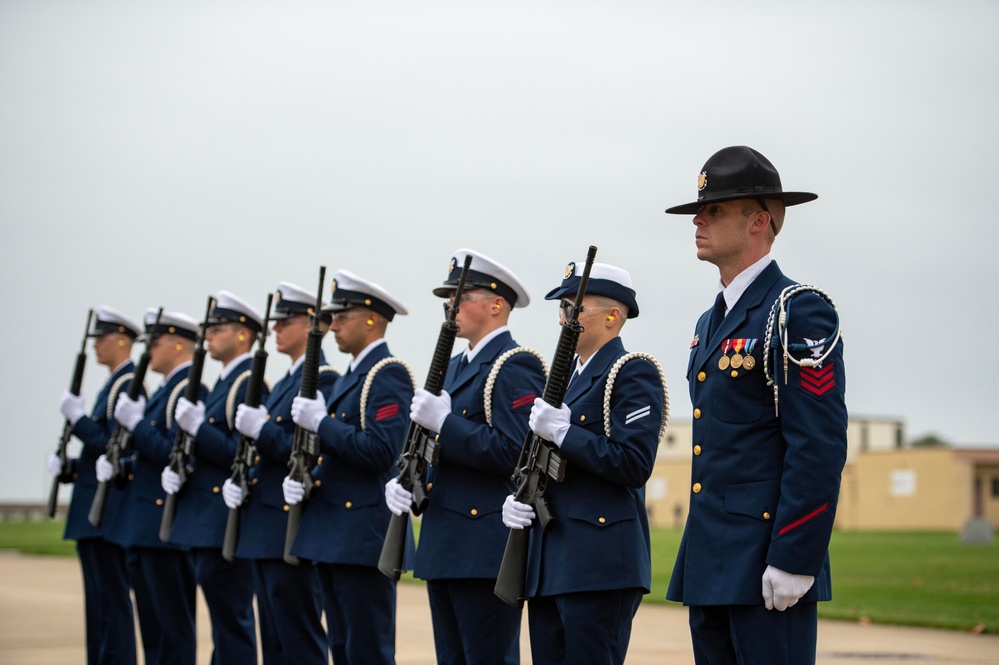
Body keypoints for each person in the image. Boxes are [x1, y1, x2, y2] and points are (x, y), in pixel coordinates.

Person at [663, 145, 848, 665]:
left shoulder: (797, 310)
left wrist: (795, 556)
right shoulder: (709, 323)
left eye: (715, 210)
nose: (698, 219)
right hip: (711, 559)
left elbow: (818, 444)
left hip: (767, 561)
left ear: (759, 222)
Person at [385, 248, 545, 665]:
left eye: (461, 297)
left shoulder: (514, 364)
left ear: (496, 305)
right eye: (447, 299)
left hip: (482, 545)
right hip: (446, 541)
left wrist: (446, 424)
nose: (450, 306)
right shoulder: (455, 365)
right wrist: (406, 477)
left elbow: (515, 453)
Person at [501, 261, 667, 665]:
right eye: (562, 310)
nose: (565, 320)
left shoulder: (631, 372)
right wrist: (517, 497)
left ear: (613, 316)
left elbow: (633, 464)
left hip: (599, 563)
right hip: (549, 563)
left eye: (576, 310)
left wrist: (565, 434)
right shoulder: (563, 382)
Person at [283, 269, 414, 664]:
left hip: (361, 533)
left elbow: (379, 451)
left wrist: (321, 423)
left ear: (371, 319)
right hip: (334, 531)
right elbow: (335, 454)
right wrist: (309, 480)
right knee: (342, 647)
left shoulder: (387, 374)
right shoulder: (353, 376)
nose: (332, 326)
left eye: (342, 317)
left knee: (366, 649)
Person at [225, 281, 339, 665]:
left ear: (311, 327)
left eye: (285, 321)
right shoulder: (286, 382)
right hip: (265, 524)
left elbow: (304, 451)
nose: (275, 328)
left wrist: (262, 430)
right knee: (273, 642)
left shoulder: (323, 379)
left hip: (287, 524)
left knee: (298, 641)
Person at [160, 291, 265, 664]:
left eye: (217, 328)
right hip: (205, 519)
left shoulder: (248, 382)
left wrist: (199, 429)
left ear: (242, 334)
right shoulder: (225, 382)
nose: (207, 336)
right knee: (222, 625)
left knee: (231, 622)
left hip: (225, 521)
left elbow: (242, 454)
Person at [108, 308, 207, 665]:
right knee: (152, 630)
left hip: (164, 527)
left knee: (173, 628)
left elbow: (174, 454)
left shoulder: (188, 389)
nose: (147, 352)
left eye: (156, 342)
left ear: (179, 345)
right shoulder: (164, 391)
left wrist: (136, 425)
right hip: (143, 525)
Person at [49, 306, 141, 665]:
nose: (96, 347)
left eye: (102, 339)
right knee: (98, 605)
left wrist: (79, 420)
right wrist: (70, 467)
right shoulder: (113, 383)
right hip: (92, 510)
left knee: (111, 603)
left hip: (107, 511)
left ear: (122, 340)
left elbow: (113, 446)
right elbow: (99, 456)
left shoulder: (128, 385)